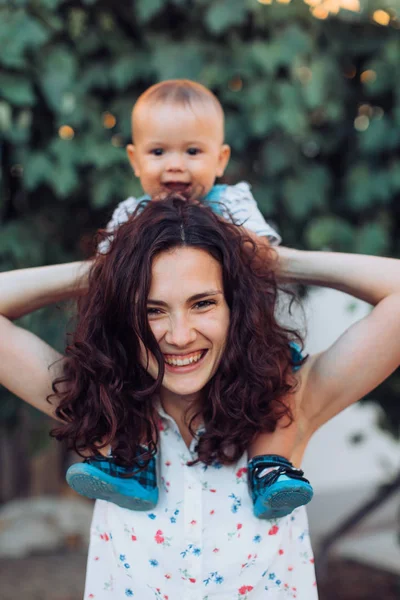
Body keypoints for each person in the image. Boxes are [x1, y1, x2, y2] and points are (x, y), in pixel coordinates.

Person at [1, 196, 400, 599]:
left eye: (203, 303)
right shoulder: (101, 410)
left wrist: (277, 260)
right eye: (152, 310)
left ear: (236, 307)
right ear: (124, 316)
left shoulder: (289, 406)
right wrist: (106, 271)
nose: (179, 335)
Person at [67, 79, 314, 519]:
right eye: (159, 152)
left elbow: (266, 255)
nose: (175, 166)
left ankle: (271, 468)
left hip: (248, 341)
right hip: (149, 352)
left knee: (279, 388)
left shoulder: (233, 202)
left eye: (192, 152)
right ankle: (134, 463)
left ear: (221, 160)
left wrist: (211, 229)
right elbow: (105, 275)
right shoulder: (131, 214)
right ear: (134, 159)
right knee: (127, 375)